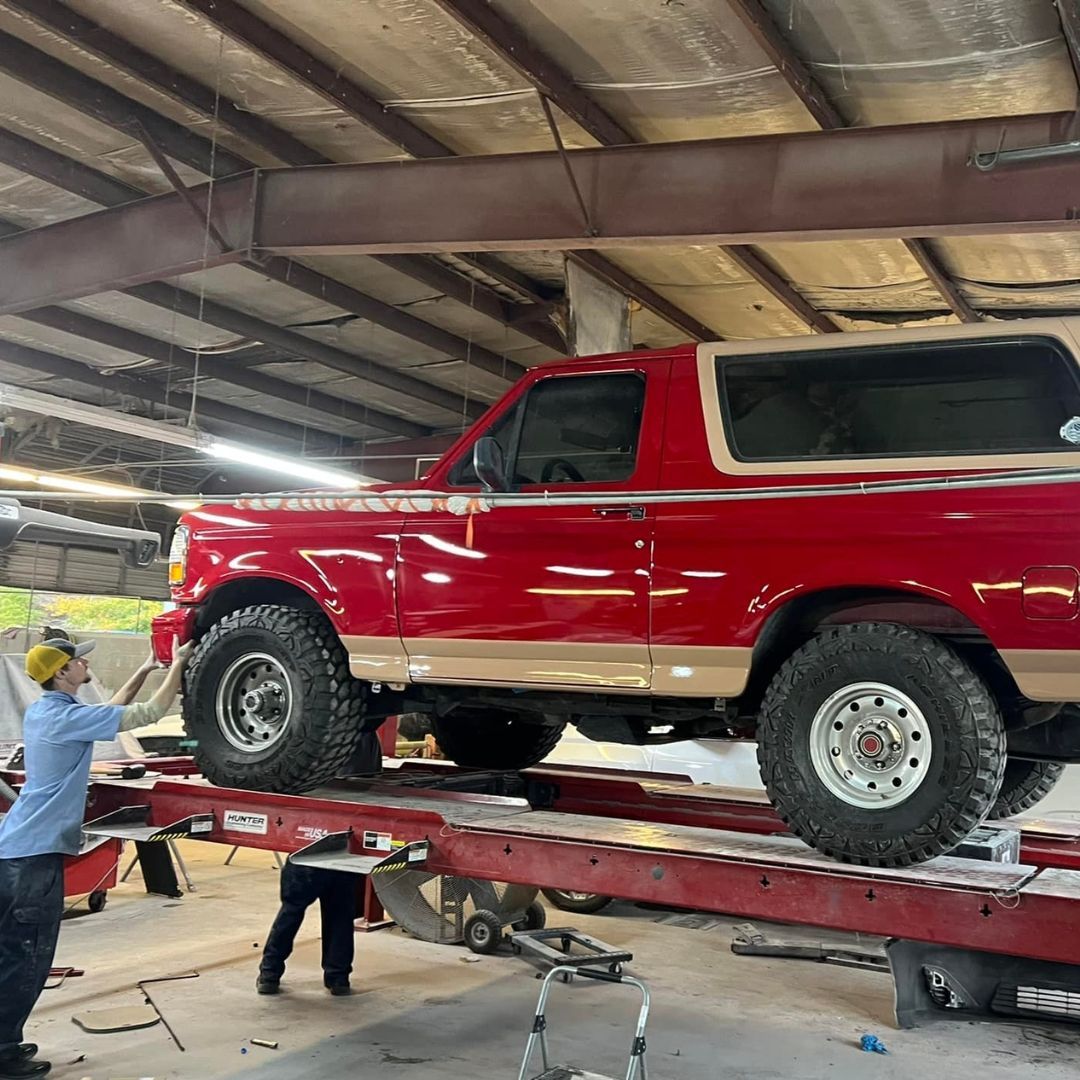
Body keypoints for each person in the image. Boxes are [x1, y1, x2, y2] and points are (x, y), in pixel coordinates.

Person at [0, 637, 193, 1079]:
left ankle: (3, 1040)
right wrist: (178, 666)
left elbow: (113, 713)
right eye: (77, 659)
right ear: (62, 673)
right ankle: (3, 1054)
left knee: (10, 952)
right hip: (35, 854)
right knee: (26, 957)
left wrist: (146, 669)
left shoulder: (49, 711)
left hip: (16, 847)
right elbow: (147, 715)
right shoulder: (64, 718)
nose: (85, 662)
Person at [255, 731, 381, 997]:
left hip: (310, 836)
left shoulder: (317, 734)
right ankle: (338, 979)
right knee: (340, 914)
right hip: (347, 841)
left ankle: (270, 974)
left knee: (292, 910)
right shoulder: (368, 739)